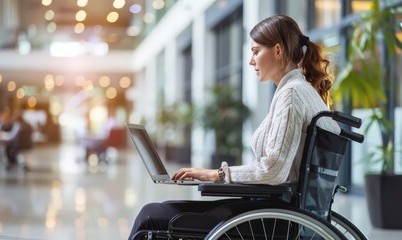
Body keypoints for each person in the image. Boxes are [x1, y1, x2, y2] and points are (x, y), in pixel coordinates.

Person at [128, 14, 341, 239]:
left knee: (150, 215)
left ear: (278, 50)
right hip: (275, 209)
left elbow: (273, 170)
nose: (251, 60)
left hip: (271, 218)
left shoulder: (291, 94)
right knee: (161, 209)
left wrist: (216, 175)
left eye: (256, 51)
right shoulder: (300, 91)